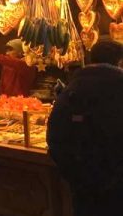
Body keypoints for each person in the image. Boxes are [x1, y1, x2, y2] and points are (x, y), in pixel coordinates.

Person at [48, 40, 123, 216]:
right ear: (119, 62)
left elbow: (54, 138)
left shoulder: (70, 90)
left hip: (81, 187)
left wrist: (75, 176)